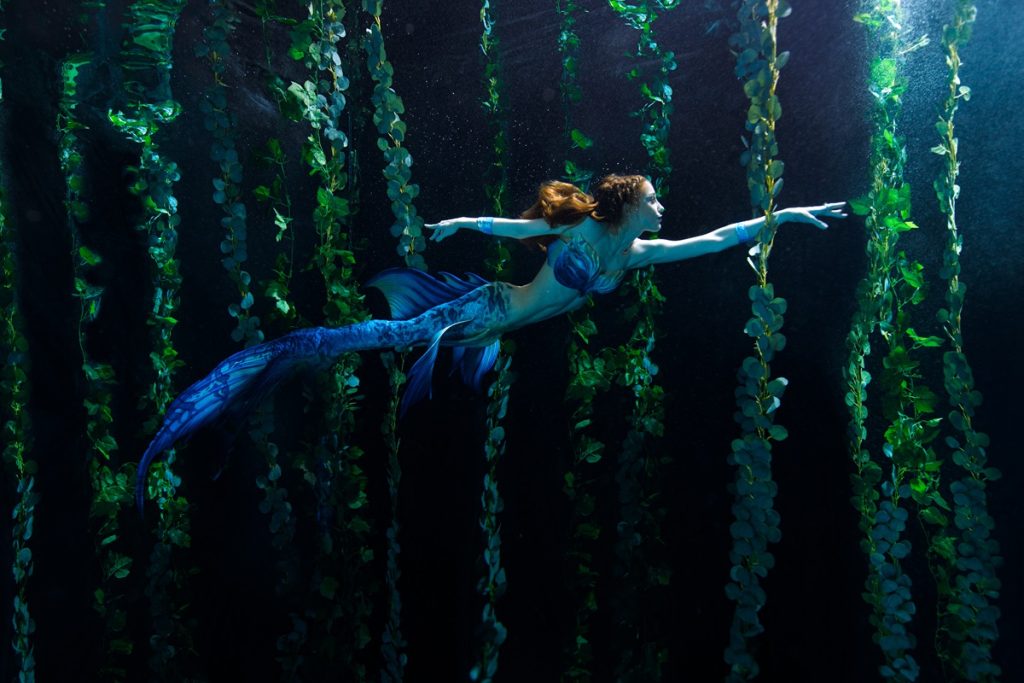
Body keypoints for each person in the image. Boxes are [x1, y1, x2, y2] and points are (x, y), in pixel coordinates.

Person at [135, 173, 845, 509]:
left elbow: (719, 239)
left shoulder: (635, 254)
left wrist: (790, 214)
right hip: (484, 310)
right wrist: (459, 225)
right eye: (655, 196)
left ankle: (258, 376)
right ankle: (247, 376)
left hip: (499, 333)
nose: (664, 204)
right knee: (367, 337)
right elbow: (516, 230)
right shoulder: (583, 230)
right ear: (628, 201)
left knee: (366, 342)